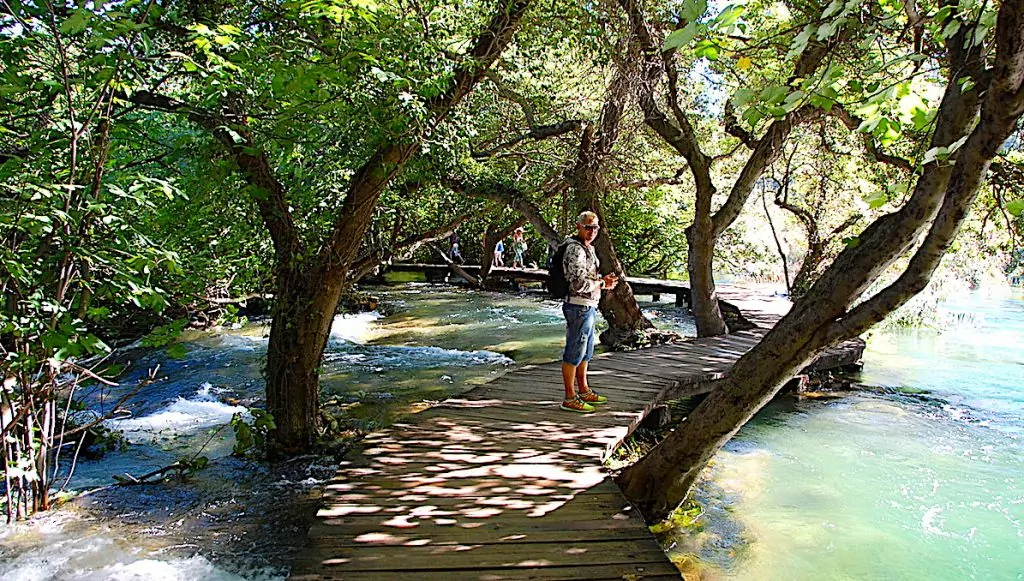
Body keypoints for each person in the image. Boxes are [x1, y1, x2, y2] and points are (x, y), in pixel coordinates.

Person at [559, 211, 618, 413]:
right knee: (574, 351)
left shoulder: (588, 248)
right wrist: (602, 283)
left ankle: (583, 390)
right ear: (579, 227)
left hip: (588, 305)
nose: (592, 231)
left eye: (595, 227)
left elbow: (587, 276)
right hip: (578, 305)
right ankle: (569, 397)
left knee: (586, 352)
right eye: (588, 227)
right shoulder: (575, 250)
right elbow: (577, 283)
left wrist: (602, 280)